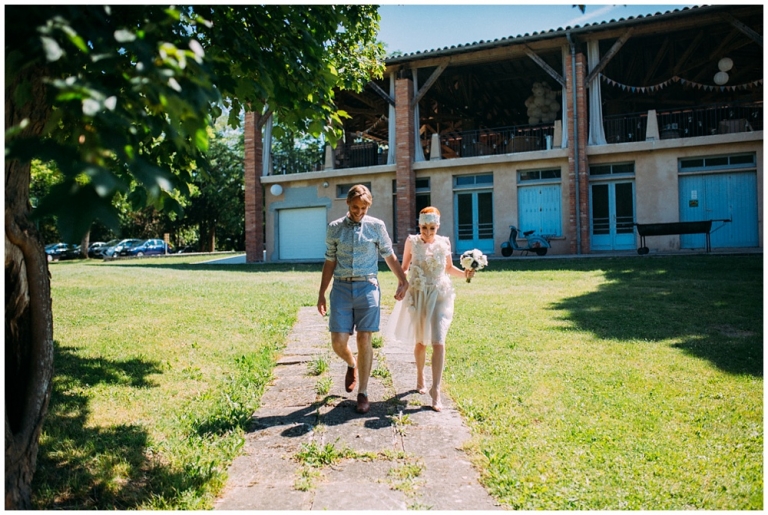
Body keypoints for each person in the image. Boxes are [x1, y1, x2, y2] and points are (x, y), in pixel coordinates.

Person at [317, 184, 408, 414]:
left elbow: (389, 255)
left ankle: (363, 392)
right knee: (338, 342)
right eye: (356, 207)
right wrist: (321, 293)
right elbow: (330, 261)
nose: (359, 212)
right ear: (348, 204)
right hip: (341, 288)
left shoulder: (376, 226)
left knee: (364, 339)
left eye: (364, 208)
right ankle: (351, 363)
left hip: (368, 286)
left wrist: (402, 280)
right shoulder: (334, 228)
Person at [385, 206, 474, 411]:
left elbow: (449, 268)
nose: (427, 232)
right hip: (419, 293)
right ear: (419, 225)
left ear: (438, 226)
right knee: (421, 342)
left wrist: (466, 274)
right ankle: (420, 377)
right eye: (424, 227)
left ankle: (436, 390)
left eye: (432, 228)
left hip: (440, 294)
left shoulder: (444, 242)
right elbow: (404, 267)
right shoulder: (412, 241)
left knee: (439, 341)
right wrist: (401, 284)